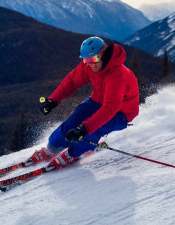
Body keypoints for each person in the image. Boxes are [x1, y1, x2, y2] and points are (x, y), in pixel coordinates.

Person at [27, 36, 140, 169]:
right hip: (97, 101)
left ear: (103, 53)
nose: (90, 64)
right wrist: (53, 100)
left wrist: (84, 129)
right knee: (65, 130)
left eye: (93, 59)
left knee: (92, 130)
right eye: (86, 60)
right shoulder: (89, 66)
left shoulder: (118, 76)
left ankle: (73, 153)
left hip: (121, 112)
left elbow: (110, 108)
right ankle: (53, 148)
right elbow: (72, 81)